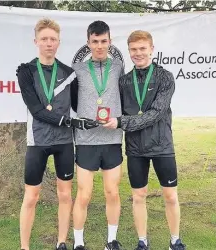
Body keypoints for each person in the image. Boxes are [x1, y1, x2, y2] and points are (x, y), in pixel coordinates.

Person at [16, 18, 98, 250]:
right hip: (38, 141)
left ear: (59, 42)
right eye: (44, 39)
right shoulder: (26, 71)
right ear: (36, 41)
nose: (49, 43)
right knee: (31, 197)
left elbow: (77, 105)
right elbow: (37, 110)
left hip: (64, 142)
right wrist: (67, 121)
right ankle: (24, 246)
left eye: (53, 39)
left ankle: (62, 242)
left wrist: (97, 115)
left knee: (65, 195)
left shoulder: (68, 73)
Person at [104, 30, 186, 250]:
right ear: (129, 51)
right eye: (134, 49)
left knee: (170, 195)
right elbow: (112, 107)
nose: (138, 53)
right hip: (135, 148)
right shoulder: (124, 81)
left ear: (152, 49)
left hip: (162, 146)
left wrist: (123, 122)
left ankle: (175, 240)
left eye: (142, 48)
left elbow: (156, 113)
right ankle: (142, 241)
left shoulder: (165, 77)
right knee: (138, 196)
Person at [71, 21, 124, 250]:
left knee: (112, 192)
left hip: (112, 138)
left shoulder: (120, 66)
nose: (100, 46)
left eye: (104, 41)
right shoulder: (78, 70)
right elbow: (73, 101)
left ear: (110, 42)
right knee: (84, 194)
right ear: (88, 43)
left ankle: (111, 241)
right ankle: (79, 244)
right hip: (86, 140)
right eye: (95, 41)